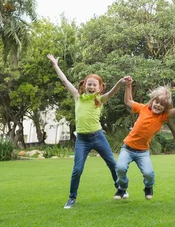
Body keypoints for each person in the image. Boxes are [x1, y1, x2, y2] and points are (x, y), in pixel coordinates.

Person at [47, 54, 129, 209]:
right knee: (77, 169)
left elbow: (112, 92)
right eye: (89, 84)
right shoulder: (77, 96)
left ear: (99, 87)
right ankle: (72, 198)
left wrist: (120, 82)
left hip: (98, 137)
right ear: (84, 85)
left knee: (112, 163)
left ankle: (120, 188)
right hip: (82, 140)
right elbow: (65, 81)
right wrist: (55, 65)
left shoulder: (100, 99)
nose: (91, 87)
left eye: (94, 85)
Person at [114, 78, 175, 200]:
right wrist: (128, 85)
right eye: (157, 102)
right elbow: (128, 101)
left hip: (142, 152)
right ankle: (122, 187)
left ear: (165, 108)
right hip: (127, 148)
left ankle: (148, 186)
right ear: (152, 101)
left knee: (148, 174)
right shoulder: (143, 108)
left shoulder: (163, 117)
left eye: (162, 105)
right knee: (120, 168)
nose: (158, 105)